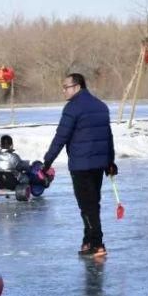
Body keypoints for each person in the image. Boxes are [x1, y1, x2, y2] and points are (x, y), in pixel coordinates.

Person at [42, 73, 117, 258]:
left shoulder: (72, 108)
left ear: (77, 86)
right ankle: (88, 240)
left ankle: (98, 244)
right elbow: (108, 137)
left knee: (87, 206)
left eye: (66, 87)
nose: (63, 91)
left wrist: (46, 162)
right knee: (93, 203)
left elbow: (61, 137)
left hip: (81, 165)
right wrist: (110, 162)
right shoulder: (101, 106)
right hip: (98, 165)